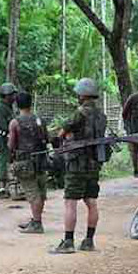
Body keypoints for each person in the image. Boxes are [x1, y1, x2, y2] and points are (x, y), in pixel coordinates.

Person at [51, 78, 107, 254]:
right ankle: (89, 241)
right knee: (91, 201)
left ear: (83, 95)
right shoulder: (102, 116)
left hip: (77, 164)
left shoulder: (80, 113)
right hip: (94, 164)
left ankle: (68, 242)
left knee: (70, 202)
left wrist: (62, 138)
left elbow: (63, 132)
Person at [8, 92, 49, 234]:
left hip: (25, 162)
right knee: (40, 191)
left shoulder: (15, 122)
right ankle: (36, 219)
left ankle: (37, 223)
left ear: (17, 104)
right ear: (30, 103)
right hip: (41, 160)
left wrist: (11, 158)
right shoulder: (40, 120)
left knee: (32, 193)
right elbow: (46, 138)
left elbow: (11, 144)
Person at [0, 83, 18, 197]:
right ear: (6, 96)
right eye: (12, 95)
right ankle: (2, 187)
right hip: (3, 138)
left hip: (7, 137)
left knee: (9, 160)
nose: (14, 98)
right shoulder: (0, 108)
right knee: (3, 160)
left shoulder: (8, 107)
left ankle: (11, 185)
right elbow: (3, 126)